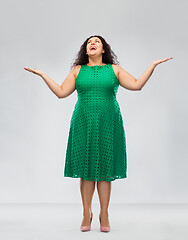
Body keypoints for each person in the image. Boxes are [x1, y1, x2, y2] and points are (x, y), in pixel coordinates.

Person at [24, 35, 173, 232]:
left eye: (97, 42)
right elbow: (61, 92)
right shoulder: (78, 71)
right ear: (86, 50)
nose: (92, 44)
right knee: (86, 168)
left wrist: (152, 65)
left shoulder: (114, 69)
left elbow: (136, 85)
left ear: (103, 49)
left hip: (108, 123)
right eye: (89, 43)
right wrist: (43, 74)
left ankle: (104, 213)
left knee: (105, 167)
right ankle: (86, 212)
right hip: (83, 122)